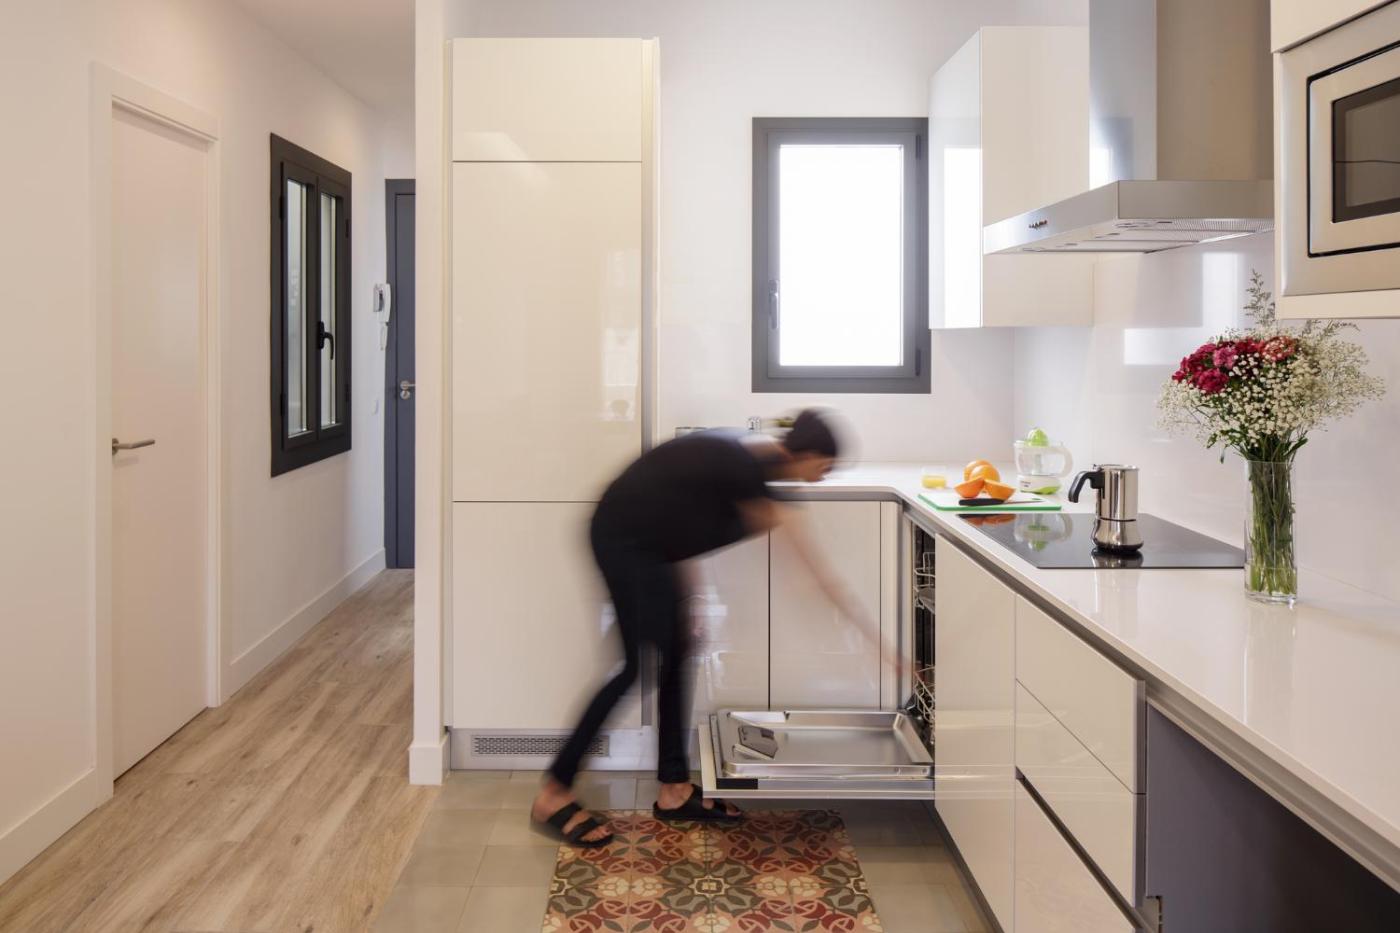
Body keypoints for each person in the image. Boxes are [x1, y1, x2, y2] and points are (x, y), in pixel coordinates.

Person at [530, 409, 884, 847]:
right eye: (825, 467)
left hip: (650, 546)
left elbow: (679, 510)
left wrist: (688, 593)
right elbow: (816, 576)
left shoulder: (757, 466)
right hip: (621, 540)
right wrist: (878, 646)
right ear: (807, 454)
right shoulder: (750, 473)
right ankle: (553, 793)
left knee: (679, 652)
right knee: (633, 669)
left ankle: (674, 790)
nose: (823, 478)